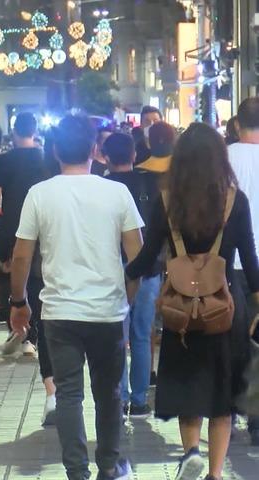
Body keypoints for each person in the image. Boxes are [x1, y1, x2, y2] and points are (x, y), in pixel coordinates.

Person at [126, 122, 259, 480]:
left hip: (180, 308)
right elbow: (250, 259)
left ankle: (191, 453)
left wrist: (124, 274)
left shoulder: (168, 202)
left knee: (188, 386)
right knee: (222, 396)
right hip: (225, 307)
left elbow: (147, 257)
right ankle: (215, 473)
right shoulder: (235, 201)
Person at [10, 115, 140, 480]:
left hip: (60, 311)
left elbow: (21, 256)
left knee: (68, 394)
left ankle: (76, 472)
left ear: (54, 150)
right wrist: (127, 300)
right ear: (95, 150)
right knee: (109, 392)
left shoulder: (40, 193)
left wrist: (18, 302)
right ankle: (109, 466)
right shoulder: (117, 192)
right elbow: (137, 256)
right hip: (108, 311)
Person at [0, 111, 57, 424]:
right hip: (45, 229)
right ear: (35, 130)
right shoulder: (46, 157)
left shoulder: (4, 161)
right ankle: (31, 336)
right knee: (39, 283)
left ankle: (23, 332)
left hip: (13, 228)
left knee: (18, 283)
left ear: (14, 131)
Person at [102, 133, 161, 418]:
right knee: (141, 335)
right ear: (134, 155)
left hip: (113, 270)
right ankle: (139, 401)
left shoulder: (102, 187)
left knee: (117, 336)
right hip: (148, 269)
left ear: (106, 157)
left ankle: (120, 398)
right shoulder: (149, 184)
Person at [226, 97, 259, 446]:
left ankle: (229, 412)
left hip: (229, 263)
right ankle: (257, 419)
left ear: (237, 124)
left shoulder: (223, 159)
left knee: (231, 338)